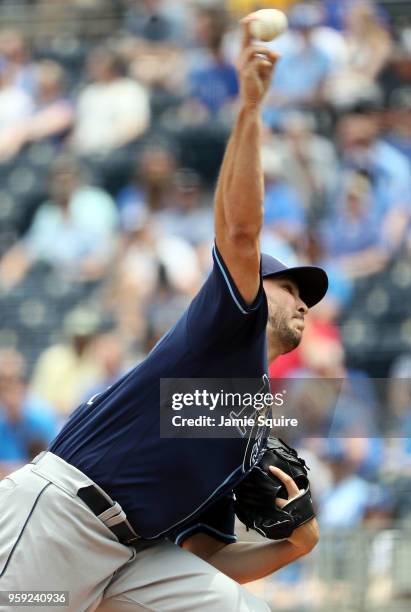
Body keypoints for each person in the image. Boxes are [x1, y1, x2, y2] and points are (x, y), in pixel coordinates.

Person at [0, 20, 328, 612]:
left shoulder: (249, 427)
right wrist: (250, 109)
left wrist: (296, 546)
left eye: (309, 294)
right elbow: (238, 227)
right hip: (59, 521)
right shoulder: (224, 338)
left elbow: (204, 554)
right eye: (289, 286)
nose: (304, 300)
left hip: (133, 557)